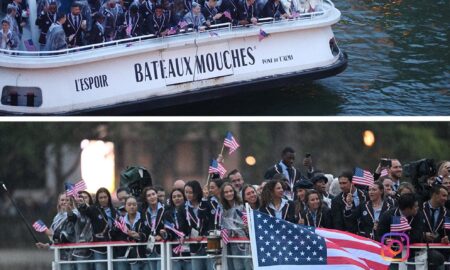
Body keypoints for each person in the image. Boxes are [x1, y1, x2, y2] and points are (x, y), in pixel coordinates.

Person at [377, 193, 424, 269]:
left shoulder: (418, 215)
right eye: (415, 206)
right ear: (407, 208)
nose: (417, 208)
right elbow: (379, 234)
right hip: (391, 254)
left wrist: (400, 241)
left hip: (412, 254)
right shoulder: (388, 215)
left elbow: (417, 236)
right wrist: (386, 240)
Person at [78, 187, 118, 270]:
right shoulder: (94, 209)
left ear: (109, 198)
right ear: (97, 199)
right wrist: (82, 204)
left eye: (105, 197)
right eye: (101, 198)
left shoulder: (114, 211)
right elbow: (86, 210)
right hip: (99, 246)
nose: (103, 199)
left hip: (113, 245)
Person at [36, 193, 78, 270]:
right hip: (58, 255)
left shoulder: (75, 213)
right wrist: (46, 245)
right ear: (58, 202)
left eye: (67, 200)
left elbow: (67, 237)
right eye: (62, 200)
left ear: (71, 202)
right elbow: (55, 239)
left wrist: (49, 232)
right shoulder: (57, 216)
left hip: (71, 255)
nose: (64, 202)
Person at [110, 196, 149, 270]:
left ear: (137, 206)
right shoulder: (120, 221)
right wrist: (116, 229)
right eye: (129, 204)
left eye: (134, 204)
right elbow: (114, 236)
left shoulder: (144, 217)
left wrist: (139, 235)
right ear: (125, 206)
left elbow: (147, 232)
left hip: (142, 253)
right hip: (125, 253)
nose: (132, 207)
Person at [220, 182, 251, 270]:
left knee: (247, 264)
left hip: (243, 241)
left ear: (234, 191)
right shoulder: (222, 209)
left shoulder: (242, 206)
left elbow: (246, 222)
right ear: (223, 194)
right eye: (226, 192)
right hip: (231, 242)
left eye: (231, 191)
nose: (229, 193)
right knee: (237, 266)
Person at [184, 180, 210, 270]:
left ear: (197, 192)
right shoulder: (183, 207)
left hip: (208, 243)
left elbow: (210, 221)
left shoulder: (206, 203)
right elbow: (183, 225)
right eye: (186, 192)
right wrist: (185, 235)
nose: (188, 195)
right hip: (194, 244)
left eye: (191, 192)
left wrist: (204, 234)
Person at [163, 189, 191, 270]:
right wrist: (165, 234)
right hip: (175, 251)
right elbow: (169, 232)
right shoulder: (167, 213)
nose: (176, 198)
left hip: (188, 247)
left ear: (184, 197)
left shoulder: (188, 210)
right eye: (174, 197)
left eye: (179, 196)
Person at [141, 187, 166, 270]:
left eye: (153, 194)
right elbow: (144, 229)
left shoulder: (165, 209)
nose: (152, 197)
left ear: (157, 195)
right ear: (146, 199)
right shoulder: (144, 212)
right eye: (148, 195)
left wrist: (161, 235)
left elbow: (170, 225)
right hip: (150, 246)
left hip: (162, 246)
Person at [73, 191, 94, 270]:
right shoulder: (76, 212)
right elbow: (71, 217)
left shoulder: (94, 210)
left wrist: (86, 206)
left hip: (95, 247)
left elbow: (89, 210)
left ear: (90, 199)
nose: (82, 200)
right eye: (80, 198)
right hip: (81, 249)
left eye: (85, 198)